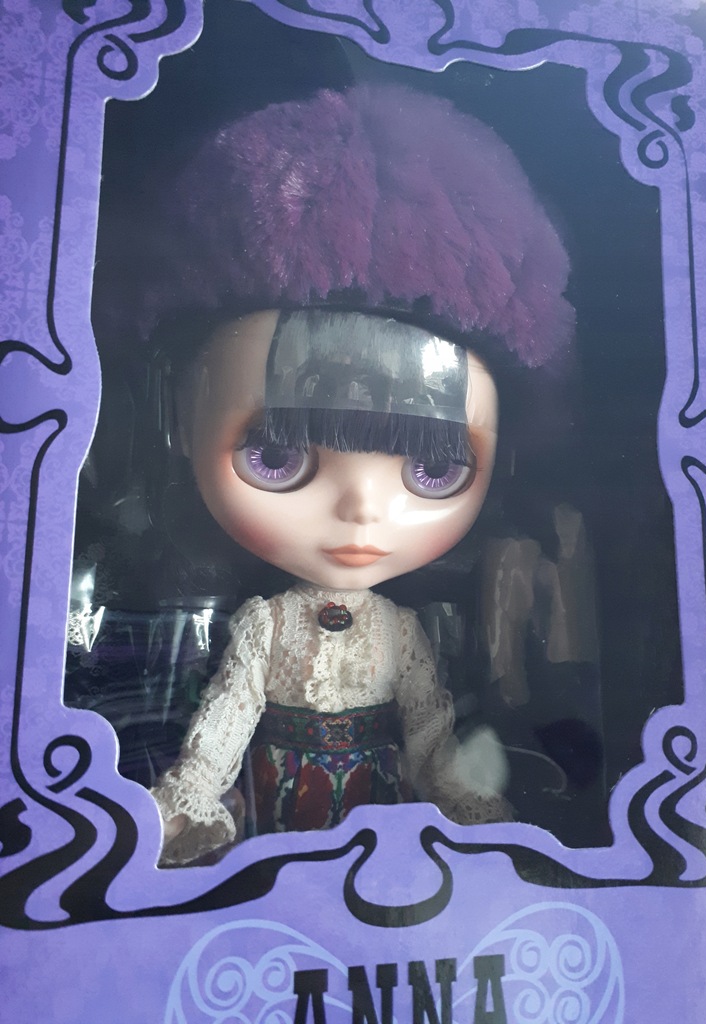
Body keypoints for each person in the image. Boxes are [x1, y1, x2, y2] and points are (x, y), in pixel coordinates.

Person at [96, 84, 574, 864]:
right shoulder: (266, 624)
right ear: (180, 423)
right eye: (278, 457)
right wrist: (188, 800)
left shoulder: (400, 631)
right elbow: (227, 718)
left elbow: (428, 729)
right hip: (276, 805)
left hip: (378, 814)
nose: (360, 510)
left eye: (432, 468)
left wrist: (464, 803)